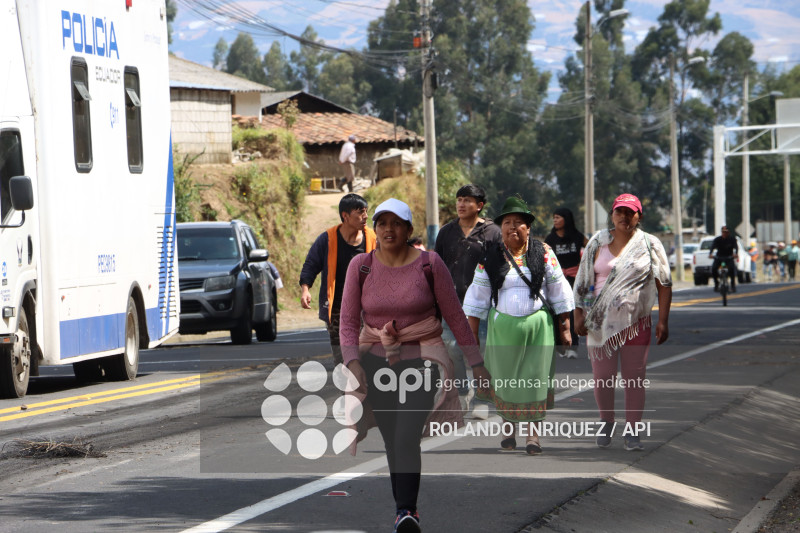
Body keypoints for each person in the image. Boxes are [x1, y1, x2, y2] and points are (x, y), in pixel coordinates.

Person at [339, 198, 490, 533]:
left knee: (407, 436)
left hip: (420, 364)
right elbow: (347, 321)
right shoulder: (361, 266)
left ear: (408, 229)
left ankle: (407, 510)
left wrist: (476, 363)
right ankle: (403, 512)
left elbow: (455, 316)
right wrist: (353, 362)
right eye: (382, 223)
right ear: (375, 229)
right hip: (375, 365)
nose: (389, 229)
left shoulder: (429, 264)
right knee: (393, 440)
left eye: (397, 223)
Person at [463, 196, 574, 455]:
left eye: (518, 222)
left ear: (528, 228)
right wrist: (472, 337)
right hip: (502, 330)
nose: (512, 227)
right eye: (507, 222)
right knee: (505, 380)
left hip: (539, 329)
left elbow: (559, 289)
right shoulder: (490, 256)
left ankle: (533, 437)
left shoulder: (543, 252)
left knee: (534, 380)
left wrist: (566, 327)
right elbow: (477, 297)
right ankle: (508, 432)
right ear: (500, 228)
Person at [573, 193, 672, 451]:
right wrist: (578, 314)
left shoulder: (649, 244)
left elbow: (664, 283)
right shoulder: (598, 241)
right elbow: (583, 280)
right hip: (600, 324)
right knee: (603, 377)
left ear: (639, 216)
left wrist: (663, 320)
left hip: (636, 323)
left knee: (634, 378)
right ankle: (606, 420)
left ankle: (632, 431)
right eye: (620, 211)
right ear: (612, 214)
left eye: (630, 212)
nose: (624, 217)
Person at [434, 184, 502, 399]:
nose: (461, 204)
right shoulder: (446, 232)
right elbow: (437, 266)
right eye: (459, 200)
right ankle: (461, 388)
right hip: (451, 302)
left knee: (481, 349)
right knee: (450, 346)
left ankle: (485, 391)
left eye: (467, 200)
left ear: (479, 205)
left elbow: (501, 267)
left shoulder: (493, 232)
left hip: (482, 304)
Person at [299, 193, 376, 366]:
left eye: (366, 211)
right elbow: (311, 264)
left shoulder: (373, 239)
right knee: (342, 360)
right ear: (345, 216)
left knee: (366, 358)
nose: (365, 216)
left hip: (366, 309)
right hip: (337, 310)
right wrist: (305, 289)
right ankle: (347, 383)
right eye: (360, 212)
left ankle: (363, 382)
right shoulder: (327, 239)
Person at [544, 207, 588, 359]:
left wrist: (585, 268)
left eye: (558, 217)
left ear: (566, 219)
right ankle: (560, 346)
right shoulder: (550, 239)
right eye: (554, 217)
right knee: (558, 313)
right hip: (556, 280)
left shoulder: (577, 236)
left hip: (575, 280)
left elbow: (592, 249)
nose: (555, 220)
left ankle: (573, 346)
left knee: (573, 313)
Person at [709, 226, 738, 292]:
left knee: (732, 269)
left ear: (729, 232)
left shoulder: (732, 239)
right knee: (713, 269)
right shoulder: (717, 239)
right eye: (723, 232)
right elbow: (712, 247)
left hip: (729, 257)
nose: (725, 233)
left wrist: (736, 254)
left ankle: (733, 285)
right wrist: (710, 254)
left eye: (726, 232)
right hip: (719, 257)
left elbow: (736, 247)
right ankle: (716, 284)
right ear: (721, 232)